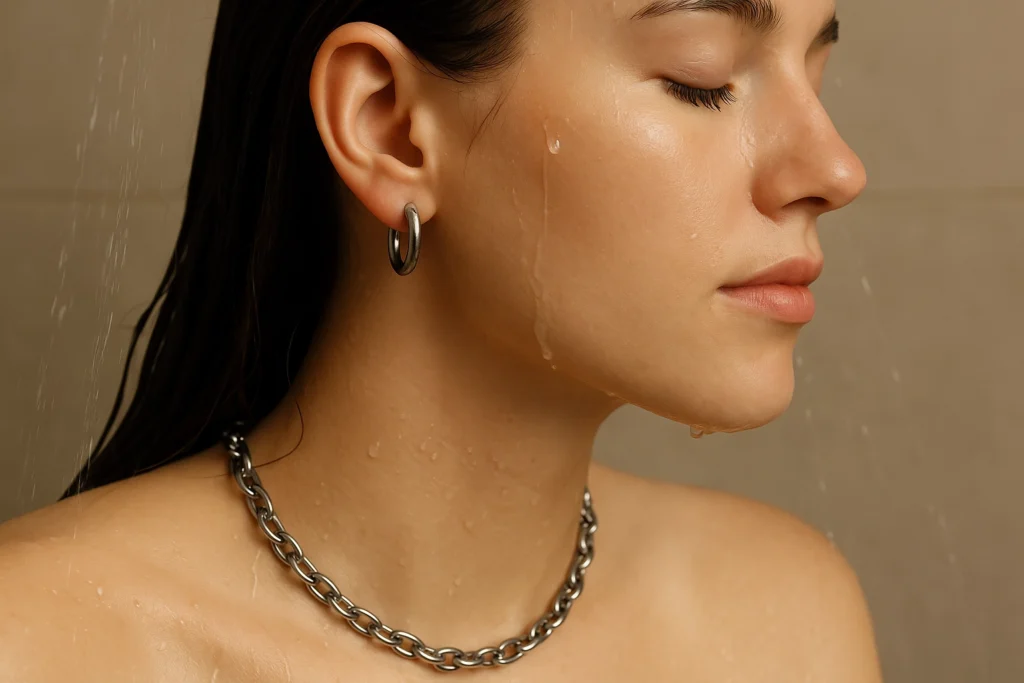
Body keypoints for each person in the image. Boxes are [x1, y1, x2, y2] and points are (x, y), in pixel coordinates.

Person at [0, 0, 880, 679]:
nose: (836, 168)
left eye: (818, 73)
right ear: (388, 125)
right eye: (705, 77)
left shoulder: (783, 624)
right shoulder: (40, 642)